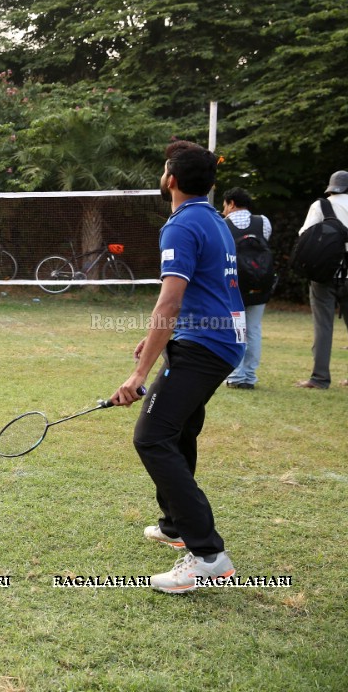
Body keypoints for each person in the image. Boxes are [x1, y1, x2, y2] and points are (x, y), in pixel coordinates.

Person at [111, 140, 244, 594]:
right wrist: (154, 340)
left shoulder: (183, 225)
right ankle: (175, 527)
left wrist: (138, 374)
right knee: (179, 431)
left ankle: (208, 555)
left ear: (170, 179)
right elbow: (203, 293)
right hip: (215, 340)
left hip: (206, 346)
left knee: (151, 437)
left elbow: (170, 298)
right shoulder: (214, 220)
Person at [295, 170, 348, 389]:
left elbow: (304, 234)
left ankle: (320, 378)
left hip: (325, 272)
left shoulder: (321, 206)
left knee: (323, 326)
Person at [221, 187, 272, 389]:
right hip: (260, 283)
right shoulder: (263, 222)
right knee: (254, 329)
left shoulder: (224, 225)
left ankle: (236, 375)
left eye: (225, 205)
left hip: (234, 285)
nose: (223, 209)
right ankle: (250, 376)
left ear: (231, 203)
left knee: (236, 329)